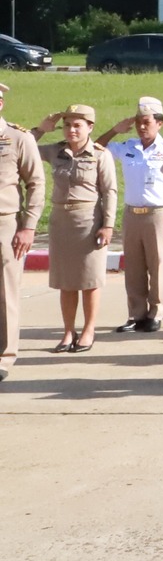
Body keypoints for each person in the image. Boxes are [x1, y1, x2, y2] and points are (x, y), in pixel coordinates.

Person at [30, 106, 119, 352]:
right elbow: (20, 150)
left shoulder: (100, 155)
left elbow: (109, 192)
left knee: (89, 280)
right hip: (61, 220)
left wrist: (108, 225)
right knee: (66, 281)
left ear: (90, 127)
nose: (71, 130)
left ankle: (89, 330)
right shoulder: (56, 151)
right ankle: (68, 331)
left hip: (88, 220)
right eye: (67, 125)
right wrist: (40, 129)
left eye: (77, 125)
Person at [97, 96, 163, 334]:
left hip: (159, 213)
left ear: (160, 123)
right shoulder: (128, 146)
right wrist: (115, 130)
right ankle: (136, 314)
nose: (141, 126)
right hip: (132, 212)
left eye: (146, 121)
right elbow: (96, 147)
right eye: (138, 122)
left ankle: (155, 314)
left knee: (157, 265)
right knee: (134, 267)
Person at [0, 82, 45, 381]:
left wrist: (28, 226)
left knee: (6, 291)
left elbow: (36, 183)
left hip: (5, 223)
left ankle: (4, 356)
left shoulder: (17, 137)